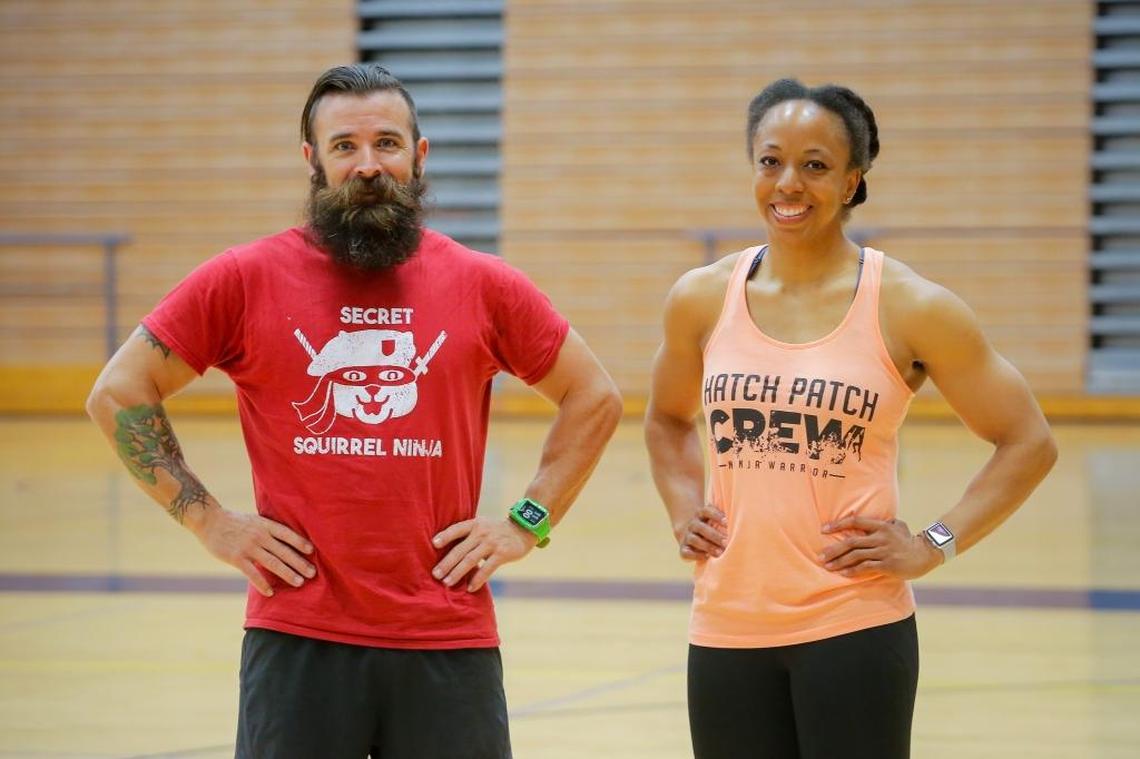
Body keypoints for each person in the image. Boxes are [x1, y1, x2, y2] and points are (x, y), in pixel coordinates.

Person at [86, 63, 622, 759]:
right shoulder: (245, 278)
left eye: (387, 144)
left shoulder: (485, 286)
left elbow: (595, 395)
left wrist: (527, 523)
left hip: (446, 637)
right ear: (312, 160)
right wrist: (207, 519)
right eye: (345, 147)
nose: (368, 166)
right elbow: (119, 390)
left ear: (419, 155)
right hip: (297, 636)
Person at [643, 78, 1057, 759]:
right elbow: (665, 419)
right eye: (771, 160)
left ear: (852, 180)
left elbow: (1028, 442)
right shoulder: (701, 297)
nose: (788, 184)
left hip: (854, 626)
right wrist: (683, 503)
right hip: (724, 626)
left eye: (815, 165)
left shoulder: (911, 306)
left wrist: (933, 542)